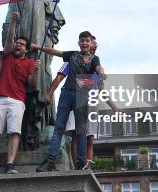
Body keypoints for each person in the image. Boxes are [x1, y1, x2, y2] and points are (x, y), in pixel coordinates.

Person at [35, 31, 105, 171]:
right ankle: (51, 161)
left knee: (84, 133)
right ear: (79, 42)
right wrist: (38, 47)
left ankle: (82, 163)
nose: (86, 43)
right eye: (83, 40)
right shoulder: (71, 56)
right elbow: (56, 56)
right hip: (67, 93)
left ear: (92, 44)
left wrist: (101, 72)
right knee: (60, 128)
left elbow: (98, 72)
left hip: (84, 97)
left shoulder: (94, 59)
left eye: (89, 41)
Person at [0, 12, 40, 175]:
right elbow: (9, 39)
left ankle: (10, 164)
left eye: (22, 44)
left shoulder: (29, 63)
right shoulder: (7, 56)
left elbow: (32, 85)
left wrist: (35, 71)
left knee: (14, 132)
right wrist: (14, 21)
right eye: (17, 43)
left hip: (18, 100)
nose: (18, 45)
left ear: (26, 50)